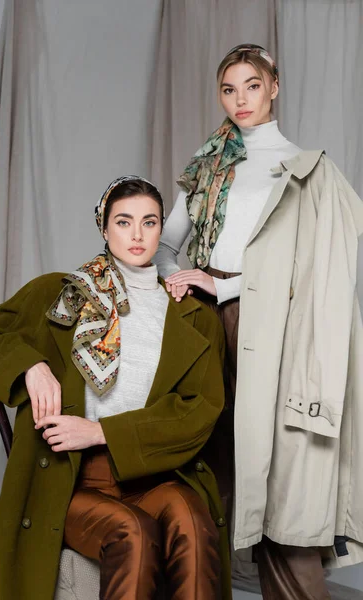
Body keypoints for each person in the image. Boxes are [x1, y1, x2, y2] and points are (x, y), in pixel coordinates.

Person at [154, 44, 363, 599]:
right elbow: (165, 244)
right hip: (202, 319)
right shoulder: (209, 164)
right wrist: (182, 279)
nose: (240, 99)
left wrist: (220, 284)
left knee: (277, 466)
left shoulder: (303, 167)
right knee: (211, 453)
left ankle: (293, 586)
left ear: (274, 86)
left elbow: (299, 267)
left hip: (268, 320)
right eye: (229, 88)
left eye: (252, 85)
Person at [0, 176, 232, 600]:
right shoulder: (61, 292)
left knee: (195, 522)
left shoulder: (191, 315)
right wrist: (32, 366)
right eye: (124, 222)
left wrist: (101, 431)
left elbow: (199, 411)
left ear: (162, 229)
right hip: (70, 478)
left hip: (152, 473)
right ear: (105, 229)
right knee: (134, 531)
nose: (138, 234)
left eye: (149, 222)